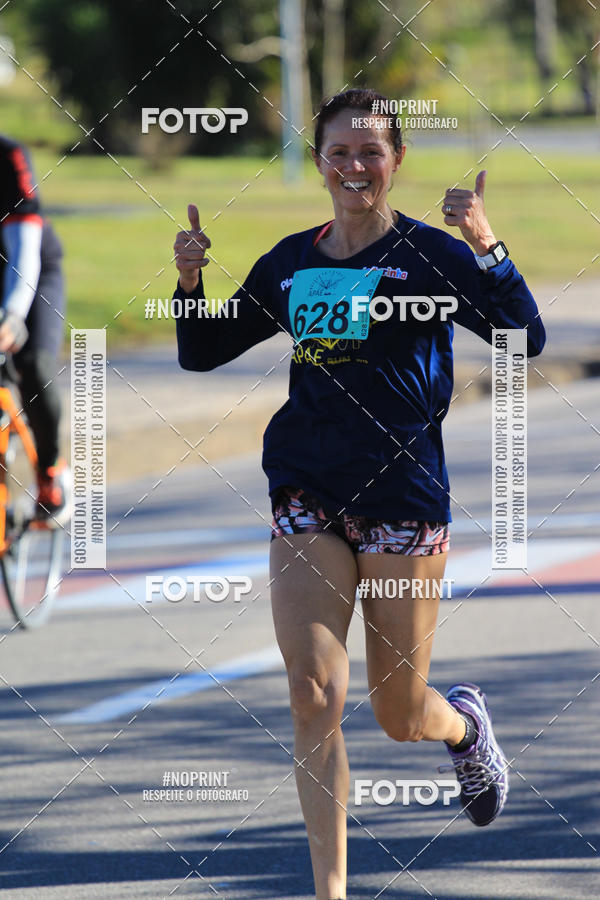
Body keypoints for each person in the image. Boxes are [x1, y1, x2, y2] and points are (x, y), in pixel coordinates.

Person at [173, 88, 545, 900]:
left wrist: (487, 246)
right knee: (313, 691)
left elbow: (525, 338)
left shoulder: (431, 257)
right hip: (307, 486)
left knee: (398, 713)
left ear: (396, 161)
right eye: (338, 152)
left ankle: (463, 726)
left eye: (370, 151)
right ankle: (331, 891)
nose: (354, 167)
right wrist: (190, 281)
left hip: (404, 495)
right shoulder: (292, 260)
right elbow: (203, 351)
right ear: (319, 163)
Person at [0, 134, 70, 525]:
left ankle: (49, 471)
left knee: (34, 365)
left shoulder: (9, 156)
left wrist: (12, 314)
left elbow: (23, 249)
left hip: (31, 273)